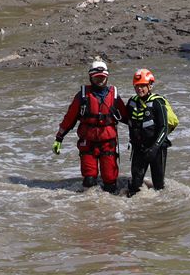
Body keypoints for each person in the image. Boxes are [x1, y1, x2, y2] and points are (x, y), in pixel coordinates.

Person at [54, 57, 125, 192]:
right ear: (90, 77)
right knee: (89, 181)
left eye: (102, 77)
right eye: (97, 77)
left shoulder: (114, 96)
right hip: (88, 144)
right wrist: (59, 137)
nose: (100, 80)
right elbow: (69, 118)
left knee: (110, 182)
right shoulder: (82, 96)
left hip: (108, 143)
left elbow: (127, 118)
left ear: (107, 77)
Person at [124, 68, 175, 196]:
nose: (139, 89)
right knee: (135, 186)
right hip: (139, 148)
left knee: (158, 187)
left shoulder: (158, 103)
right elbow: (129, 120)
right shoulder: (132, 102)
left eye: (142, 86)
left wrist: (154, 148)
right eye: (137, 86)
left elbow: (163, 127)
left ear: (150, 86)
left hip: (157, 149)